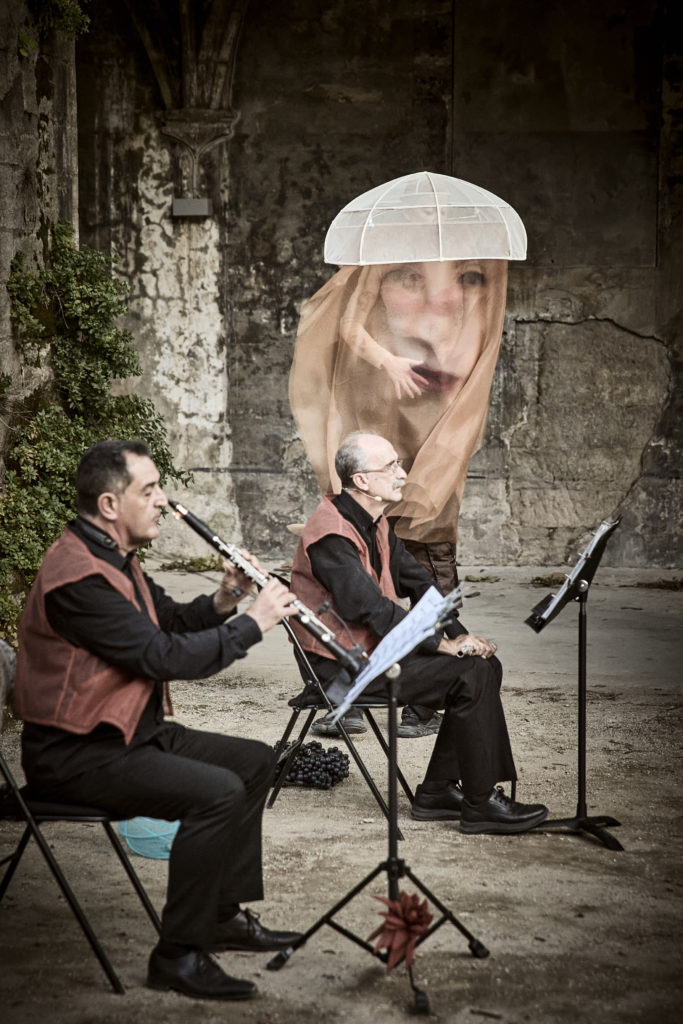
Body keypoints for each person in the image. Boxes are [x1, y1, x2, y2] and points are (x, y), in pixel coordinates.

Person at [13, 439, 303, 1001]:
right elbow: (160, 657)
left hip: (129, 734)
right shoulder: (77, 579)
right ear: (108, 505)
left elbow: (167, 621)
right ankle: (177, 955)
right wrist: (257, 623)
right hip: (76, 754)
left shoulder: (114, 557)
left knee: (254, 760)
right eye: (148, 491)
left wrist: (227, 597)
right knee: (216, 792)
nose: (164, 502)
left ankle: (219, 915)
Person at [289, 430, 548, 836]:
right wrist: (443, 645)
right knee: (470, 673)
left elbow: (421, 585)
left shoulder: (375, 524)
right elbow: (368, 608)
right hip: (340, 670)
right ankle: (476, 802)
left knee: (482, 665)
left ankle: (440, 791)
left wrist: (465, 638)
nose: (403, 474)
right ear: (362, 481)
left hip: (377, 651)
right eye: (391, 466)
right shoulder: (331, 534)